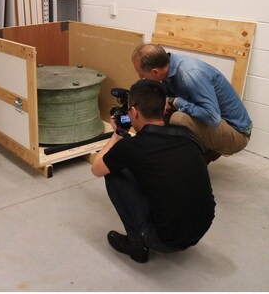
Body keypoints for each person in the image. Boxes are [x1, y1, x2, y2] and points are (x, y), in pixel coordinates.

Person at [91, 79, 215, 263]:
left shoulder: (133, 147)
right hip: (200, 230)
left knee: (114, 172)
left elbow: (97, 169)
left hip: (165, 241)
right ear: (165, 108)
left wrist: (117, 135)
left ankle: (136, 245)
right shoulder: (187, 135)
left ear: (133, 112)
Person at [131, 43, 252, 163]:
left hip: (237, 133)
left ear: (155, 72)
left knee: (179, 118)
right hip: (218, 122)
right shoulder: (169, 67)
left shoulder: (190, 74)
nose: (143, 79)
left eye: (143, 76)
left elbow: (213, 118)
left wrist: (175, 101)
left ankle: (194, 160)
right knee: (159, 110)